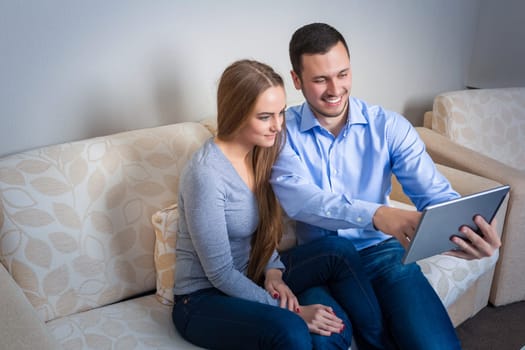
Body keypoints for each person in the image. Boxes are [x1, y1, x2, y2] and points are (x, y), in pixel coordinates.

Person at [270, 23, 502, 350]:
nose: (335, 89)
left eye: (343, 74)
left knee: (434, 345)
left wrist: (471, 228)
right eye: (320, 79)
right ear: (297, 80)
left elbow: (434, 194)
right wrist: (378, 214)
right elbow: (302, 200)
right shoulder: (281, 133)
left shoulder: (388, 126)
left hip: (380, 253)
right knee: (325, 342)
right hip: (318, 261)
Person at [172, 59, 390, 350]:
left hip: (253, 273)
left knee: (339, 251)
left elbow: (261, 230)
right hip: (202, 299)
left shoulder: (261, 152)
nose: (277, 126)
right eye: (265, 117)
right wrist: (296, 312)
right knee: (291, 330)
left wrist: (274, 270)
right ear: (236, 114)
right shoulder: (205, 174)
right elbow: (220, 274)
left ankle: (378, 344)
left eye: (281, 113)